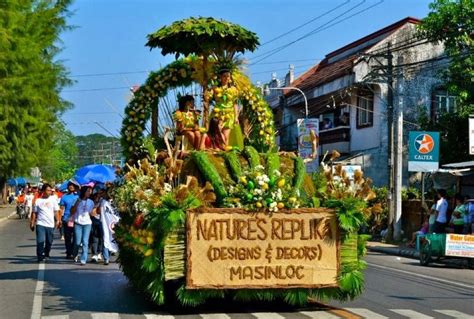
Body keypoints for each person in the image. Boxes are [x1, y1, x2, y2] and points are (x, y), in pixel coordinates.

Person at [209, 68, 242, 149]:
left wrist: (236, 117)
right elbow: (208, 97)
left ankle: (225, 153)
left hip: (229, 114)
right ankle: (218, 152)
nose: (227, 78)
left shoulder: (233, 89)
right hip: (218, 114)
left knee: (226, 136)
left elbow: (235, 104)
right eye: (224, 76)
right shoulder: (215, 88)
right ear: (220, 77)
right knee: (218, 134)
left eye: (228, 76)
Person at [29, 184, 61, 262]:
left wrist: (58, 220)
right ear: (43, 191)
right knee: (40, 241)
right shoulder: (38, 201)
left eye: (50, 190)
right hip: (40, 224)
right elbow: (34, 213)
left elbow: (56, 211)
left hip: (50, 224)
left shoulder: (53, 200)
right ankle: (40, 256)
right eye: (48, 190)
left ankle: (46, 253)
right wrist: (32, 222)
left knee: (49, 241)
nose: (50, 192)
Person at [70, 186, 96, 265]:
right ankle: (75, 254)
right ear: (84, 191)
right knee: (77, 242)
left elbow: (92, 213)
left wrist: (94, 211)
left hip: (87, 223)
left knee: (85, 242)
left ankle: (83, 259)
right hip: (78, 223)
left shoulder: (91, 202)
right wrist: (77, 204)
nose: (89, 193)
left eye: (90, 191)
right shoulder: (77, 200)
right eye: (88, 191)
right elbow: (72, 211)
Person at [99, 188, 120, 265]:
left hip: (115, 223)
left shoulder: (117, 201)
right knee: (106, 238)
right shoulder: (103, 202)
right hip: (105, 223)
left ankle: (118, 256)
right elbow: (100, 211)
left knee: (117, 239)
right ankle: (106, 258)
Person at [59, 182, 79, 259]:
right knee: (67, 237)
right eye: (70, 185)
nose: (71, 187)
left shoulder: (78, 196)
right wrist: (60, 219)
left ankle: (73, 252)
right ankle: (69, 252)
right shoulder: (64, 197)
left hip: (76, 219)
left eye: (73, 185)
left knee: (76, 237)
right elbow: (61, 208)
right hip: (66, 219)